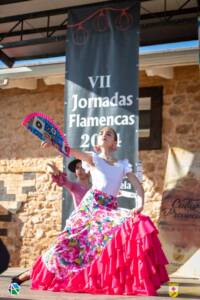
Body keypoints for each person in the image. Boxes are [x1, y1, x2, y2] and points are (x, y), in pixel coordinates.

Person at [15, 127, 169, 295]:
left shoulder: (122, 165)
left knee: (138, 223)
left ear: (115, 143)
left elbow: (138, 186)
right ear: (97, 142)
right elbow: (70, 151)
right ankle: (23, 277)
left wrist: (139, 204)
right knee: (65, 247)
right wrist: (54, 143)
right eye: (101, 133)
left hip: (108, 211)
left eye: (108, 134)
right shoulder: (94, 159)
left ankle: (130, 282)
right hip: (90, 209)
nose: (104, 135)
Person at [11, 159, 90, 285]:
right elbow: (63, 181)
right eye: (77, 168)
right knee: (56, 256)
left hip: (91, 231)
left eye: (82, 167)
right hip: (76, 229)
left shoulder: (96, 188)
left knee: (84, 260)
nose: (79, 170)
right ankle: (22, 277)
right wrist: (56, 172)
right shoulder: (74, 186)